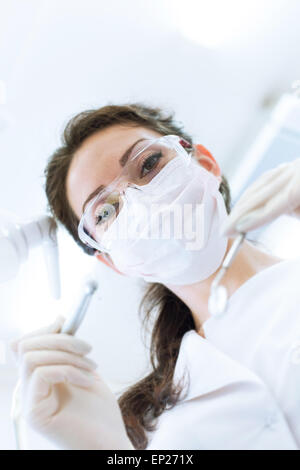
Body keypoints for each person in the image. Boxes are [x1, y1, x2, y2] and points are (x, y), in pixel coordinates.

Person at [10, 104, 300, 450]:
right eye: (105, 211)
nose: (139, 202)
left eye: (148, 164)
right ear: (111, 261)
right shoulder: (155, 426)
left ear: (204, 163)